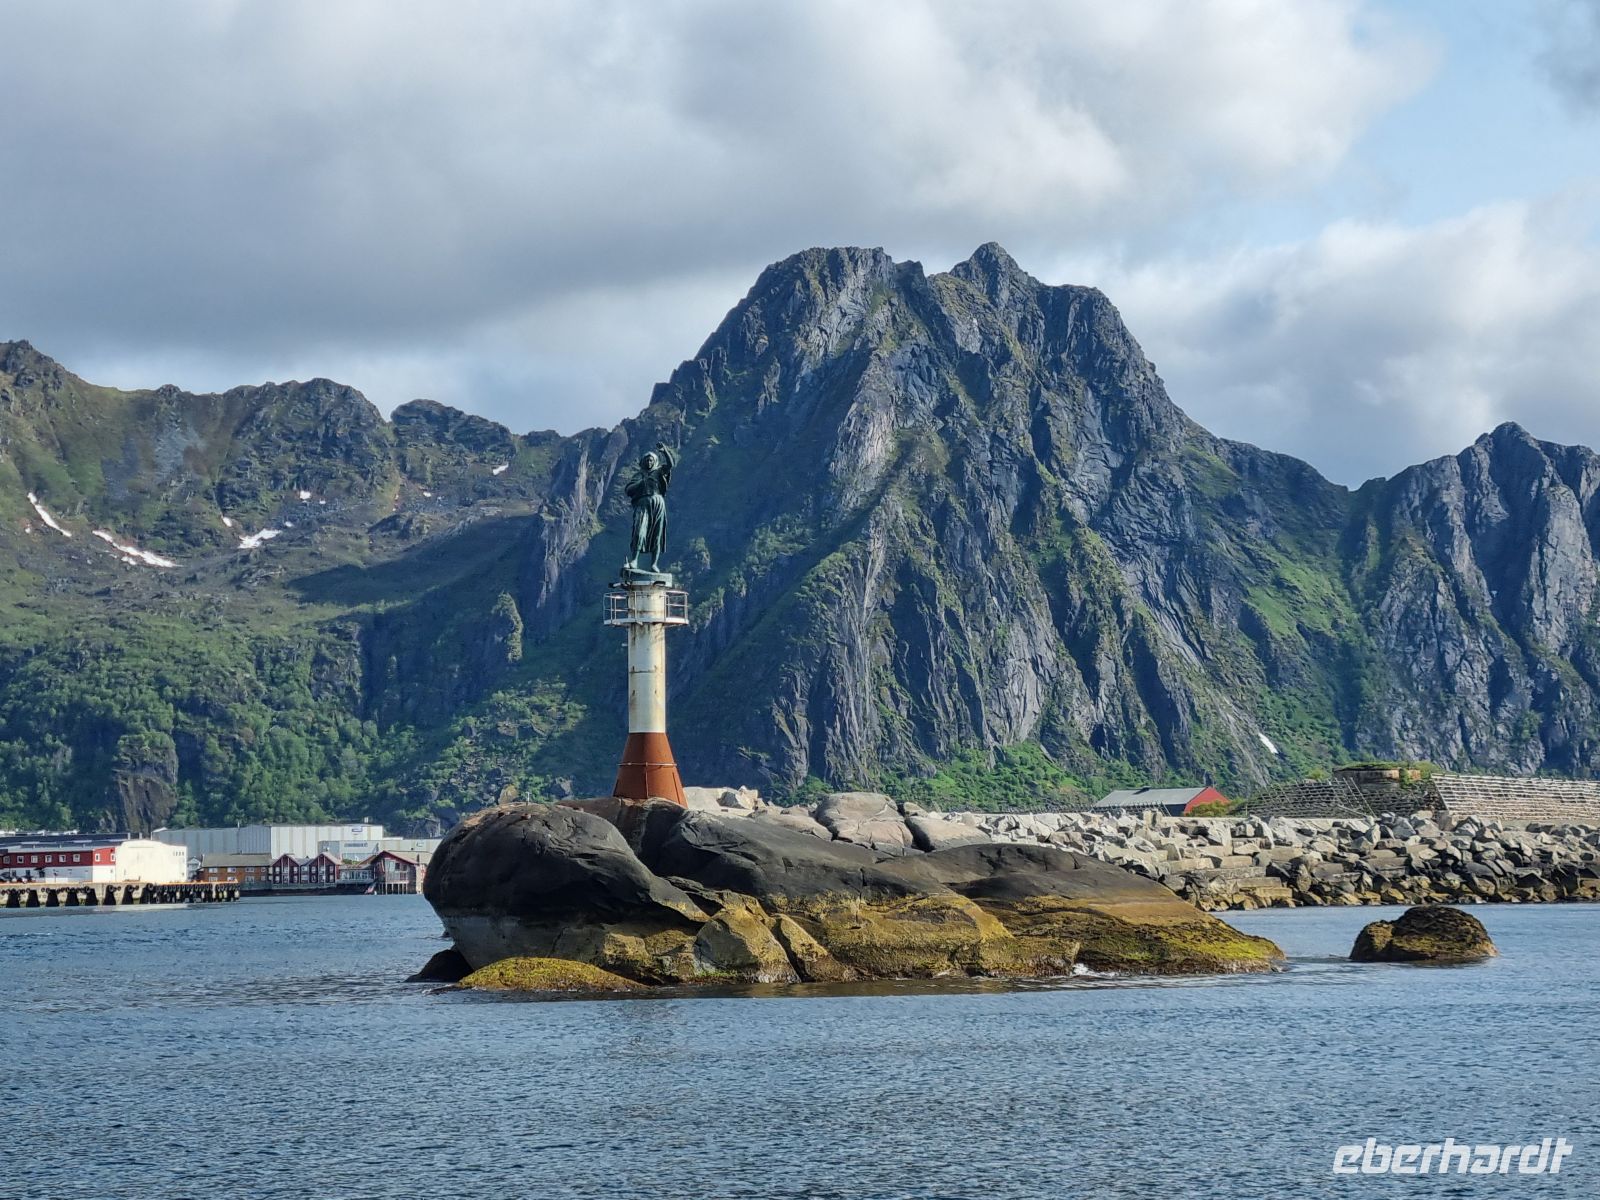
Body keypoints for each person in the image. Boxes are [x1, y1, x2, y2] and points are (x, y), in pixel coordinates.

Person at [624, 442, 677, 572]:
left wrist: (664, 451)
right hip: (643, 505)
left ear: (655, 462)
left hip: (658, 504)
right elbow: (629, 490)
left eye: (651, 460)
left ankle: (654, 563)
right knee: (639, 532)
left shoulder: (658, 472)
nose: (649, 462)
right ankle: (634, 560)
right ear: (643, 462)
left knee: (657, 535)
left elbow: (670, 465)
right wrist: (642, 483)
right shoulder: (639, 475)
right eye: (647, 460)